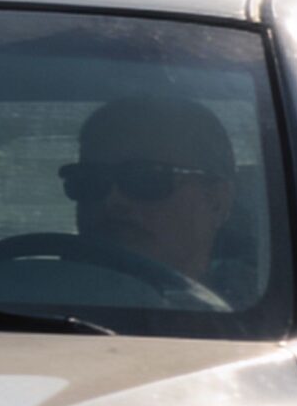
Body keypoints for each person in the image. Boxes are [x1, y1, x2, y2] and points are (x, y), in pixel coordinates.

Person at [59, 95, 238, 288]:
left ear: (216, 202)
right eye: (89, 180)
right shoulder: (40, 293)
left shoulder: (256, 301)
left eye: (145, 179)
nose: (112, 200)